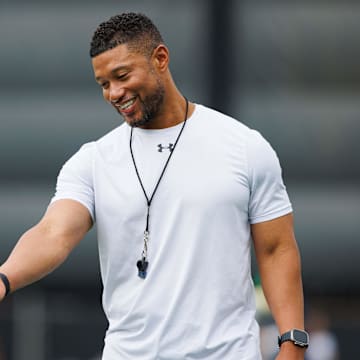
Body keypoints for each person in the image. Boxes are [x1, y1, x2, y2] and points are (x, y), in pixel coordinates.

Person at [0, 12, 308, 360]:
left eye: (122, 75)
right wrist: (4, 278)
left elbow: (277, 249)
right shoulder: (93, 160)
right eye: (103, 84)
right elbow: (53, 232)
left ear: (160, 58)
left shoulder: (244, 147)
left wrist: (292, 343)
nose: (115, 93)